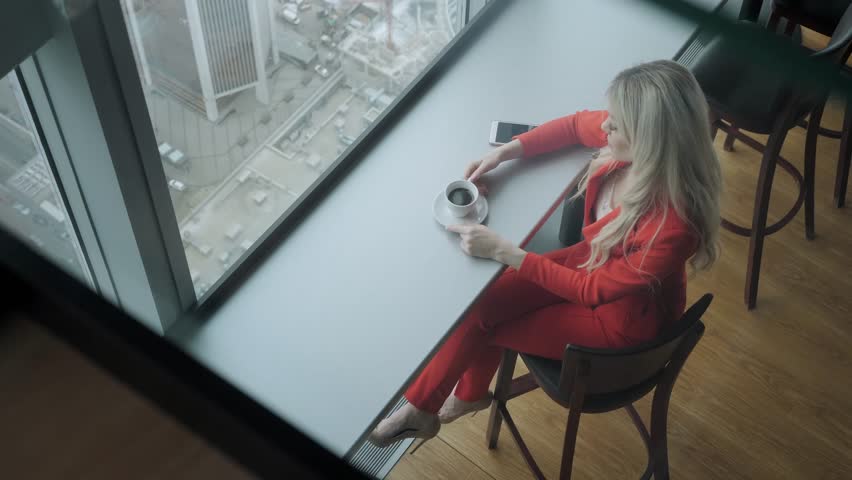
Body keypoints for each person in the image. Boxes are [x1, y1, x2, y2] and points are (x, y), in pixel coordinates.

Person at [368, 59, 722, 450]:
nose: (605, 126)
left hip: (620, 323)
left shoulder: (674, 226)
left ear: (649, 141)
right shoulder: (637, 137)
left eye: (616, 125)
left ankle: (450, 402)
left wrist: (505, 251)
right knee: (480, 305)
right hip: (592, 263)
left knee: (483, 327)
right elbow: (573, 126)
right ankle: (437, 405)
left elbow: (590, 291)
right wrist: (506, 153)